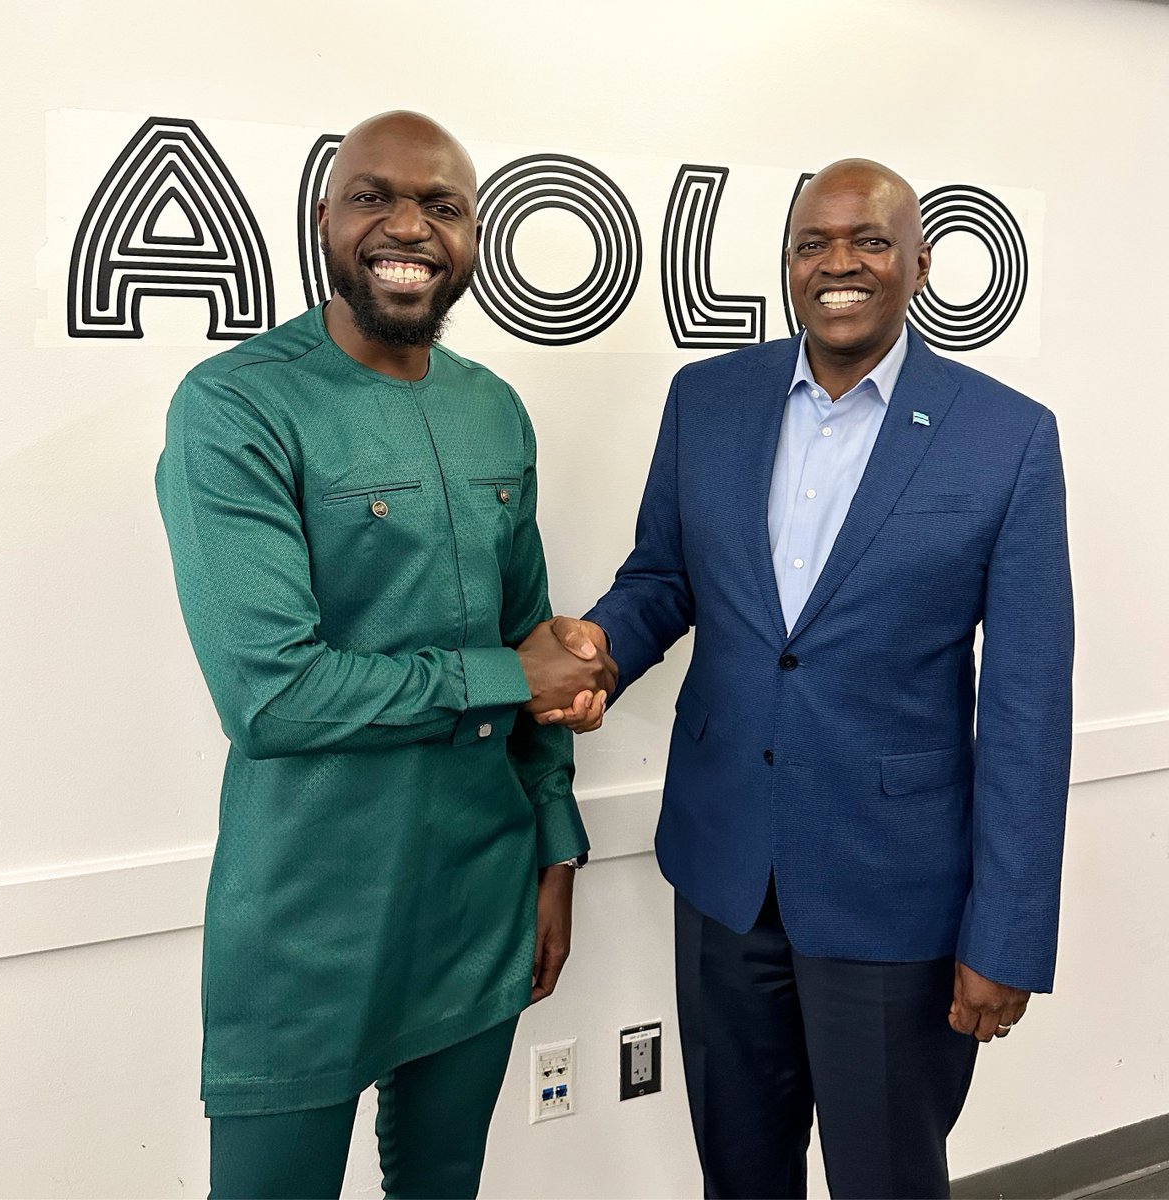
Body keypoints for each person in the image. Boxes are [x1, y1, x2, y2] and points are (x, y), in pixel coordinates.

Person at [541, 159, 1073, 1199]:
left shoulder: (1006, 439)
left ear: (918, 262)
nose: (839, 264)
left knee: (884, 1178)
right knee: (740, 1173)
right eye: (812, 244)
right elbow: (664, 575)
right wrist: (601, 644)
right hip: (725, 869)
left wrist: (1006, 932)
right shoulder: (709, 399)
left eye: (869, 242)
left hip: (893, 894)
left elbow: (1027, 709)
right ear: (787, 264)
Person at [155, 110, 616, 1200]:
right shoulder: (236, 404)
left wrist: (553, 851)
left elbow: (534, 640)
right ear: (325, 217)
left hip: (478, 892)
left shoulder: (493, 410)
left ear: (472, 236)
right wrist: (514, 676)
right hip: (312, 912)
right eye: (373, 196)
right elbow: (273, 696)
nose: (407, 225)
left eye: (442, 205)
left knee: (442, 1184)